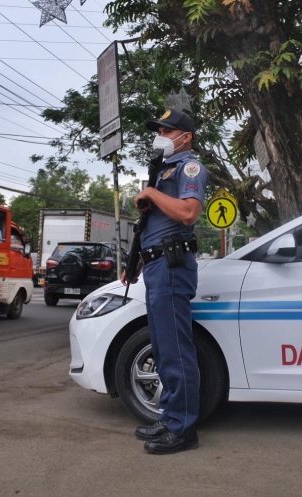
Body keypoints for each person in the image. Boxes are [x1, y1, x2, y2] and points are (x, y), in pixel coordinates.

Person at [121, 108, 209, 455]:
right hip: (158, 266)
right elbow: (155, 226)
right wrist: (137, 260)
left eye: (166, 131)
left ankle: (183, 429)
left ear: (184, 137)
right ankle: (171, 416)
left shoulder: (190, 168)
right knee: (162, 348)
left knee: (175, 351)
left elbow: (188, 212)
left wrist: (152, 194)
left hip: (173, 267)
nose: (160, 135)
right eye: (159, 130)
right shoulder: (163, 172)